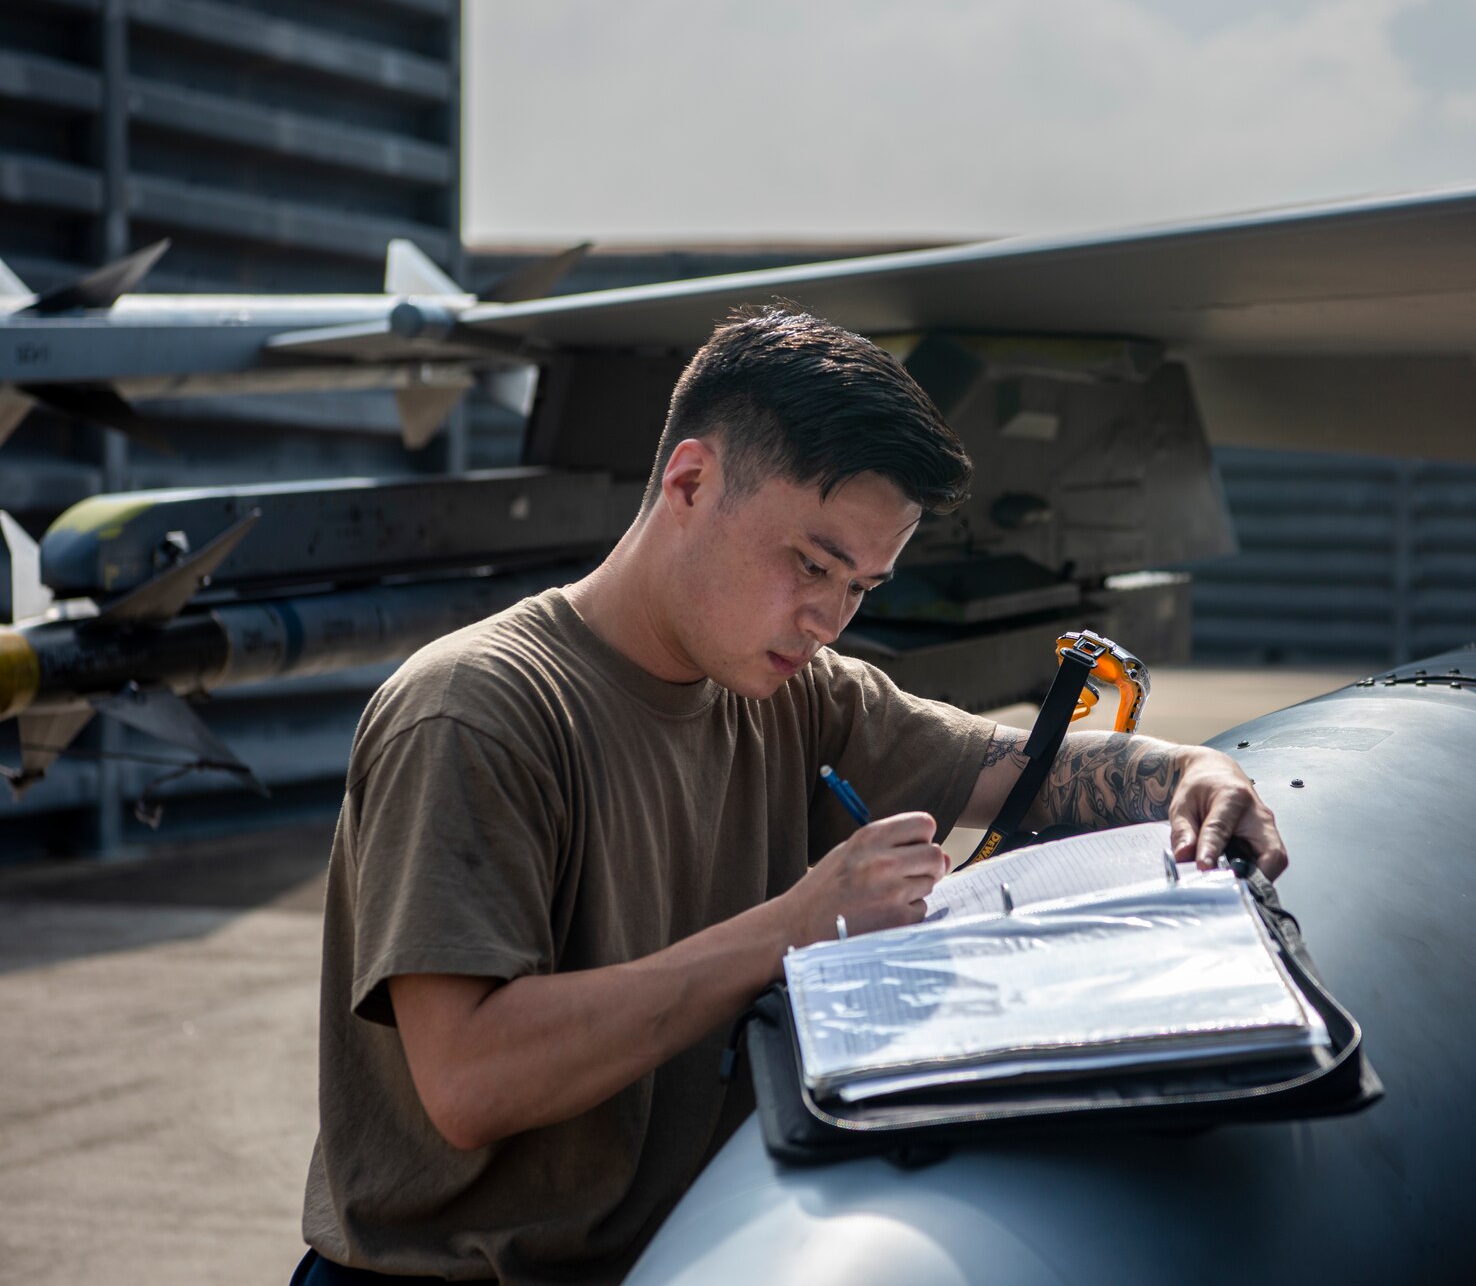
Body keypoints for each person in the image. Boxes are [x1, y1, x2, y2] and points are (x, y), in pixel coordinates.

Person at [293, 306, 1286, 1285]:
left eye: (861, 587)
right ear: (689, 481)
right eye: (809, 564)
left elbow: (1006, 761)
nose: (825, 618)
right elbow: (469, 1078)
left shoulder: (792, 692)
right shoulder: (475, 712)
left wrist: (1185, 772)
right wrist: (795, 926)